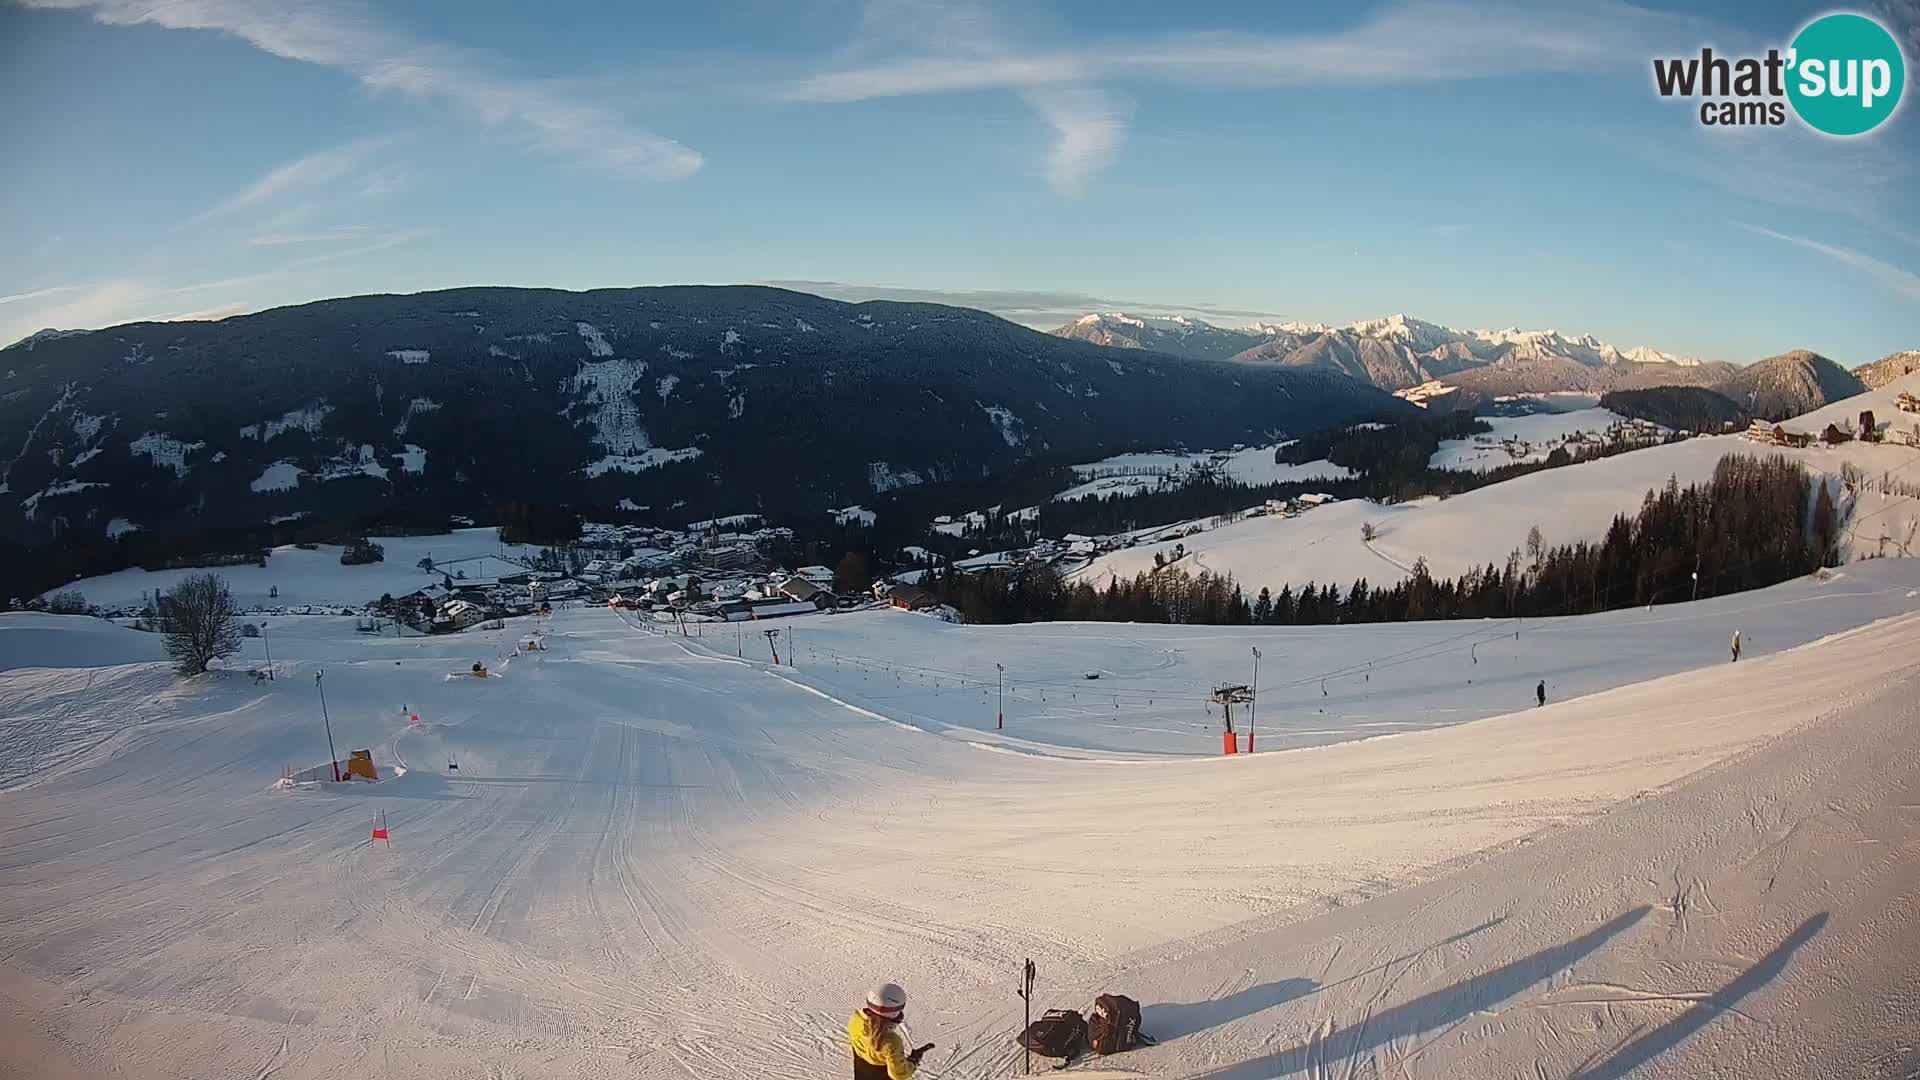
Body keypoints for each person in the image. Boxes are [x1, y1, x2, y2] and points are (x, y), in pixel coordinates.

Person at [849, 982, 931, 1080]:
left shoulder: (856, 1019)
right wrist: (913, 1061)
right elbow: (898, 1074)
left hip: (861, 1072)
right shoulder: (892, 1042)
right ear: (894, 1012)